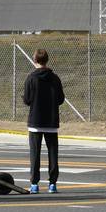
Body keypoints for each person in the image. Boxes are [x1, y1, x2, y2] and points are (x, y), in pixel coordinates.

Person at [22, 49, 64, 193]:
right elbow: (61, 99)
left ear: (35, 60)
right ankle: (52, 183)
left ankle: (34, 183)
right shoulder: (55, 78)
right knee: (53, 153)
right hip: (51, 120)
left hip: (35, 121)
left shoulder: (31, 78)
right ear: (47, 60)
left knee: (35, 153)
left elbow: (27, 100)